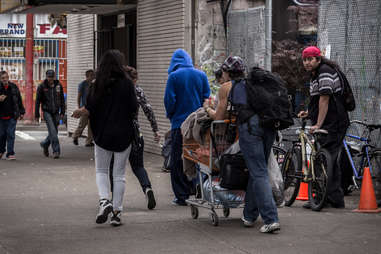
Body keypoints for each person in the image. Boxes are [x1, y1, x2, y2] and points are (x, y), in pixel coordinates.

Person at [204, 56, 281, 233]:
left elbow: (219, 117)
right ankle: (249, 215)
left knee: (259, 172)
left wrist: (207, 109)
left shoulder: (230, 86)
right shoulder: (255, 83)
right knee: (257, 171)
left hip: (251, 129)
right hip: (269, 127)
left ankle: (271, 218)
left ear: (227, 72)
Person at [72, 49, 138, 227]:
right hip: (124, 133)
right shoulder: (127, 83)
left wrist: (80, 111)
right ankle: (116, 213)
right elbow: (134, 107)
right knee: (119, 175)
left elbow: (90, 107)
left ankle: (104, 201)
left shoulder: (96, 83)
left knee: (101, 170)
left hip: (102, 133)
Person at [298, 46, 349, 209]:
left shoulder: (325, 71)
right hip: (329, 121)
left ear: (318, 59)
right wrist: (308, 112)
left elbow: (325, 99)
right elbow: (317, 100)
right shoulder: (315, 74)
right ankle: (331, 198)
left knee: (327, 159)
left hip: (334, 122)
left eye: (310, 59)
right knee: (328, 160)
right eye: (305, 59)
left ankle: (325, 197)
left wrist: (318, 124)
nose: (307, 62)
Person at [164, 49, 210, 206]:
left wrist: (171, 115)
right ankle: (197, 189)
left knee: (177, 159)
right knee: (198, 157)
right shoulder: (201, 75)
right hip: (199, 125)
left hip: (179, 124)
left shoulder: (174, 77)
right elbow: (207, 98)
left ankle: (181, 195)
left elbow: (169, 100)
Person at [109, 66, 159, 210]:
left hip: (117, 134)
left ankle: (114, 199)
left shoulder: (114, 91)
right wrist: (155, 130)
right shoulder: (138, 91)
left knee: (114, 168)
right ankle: (147, 189)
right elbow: (148, 110)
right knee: (138, 166)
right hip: (136, 134)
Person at [35, 70, 65, 159]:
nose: (50, 79)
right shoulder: (42, 86)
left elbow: (62, 99)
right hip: (47, 111)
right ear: (46, 76)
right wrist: (37, 115)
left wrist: (62, 112)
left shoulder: (58, 85)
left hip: (56, 111)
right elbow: (37, 101)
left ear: (54, 77)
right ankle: (56, 151)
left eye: (52, 77)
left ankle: (44, 144)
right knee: (53, 131)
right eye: (49, 77)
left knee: (54, 132)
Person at [0, 71, 25, 160]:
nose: (5, 80)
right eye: (3, 78)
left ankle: (10, 153)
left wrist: (22, 112)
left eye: (6, 77)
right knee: (2, 135)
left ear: (8, 77)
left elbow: (19, 100)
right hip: (1, 117)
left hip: (12, 116)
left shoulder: (13, 87)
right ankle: (1, 150)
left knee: (10, 134)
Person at [72, 69, 95, 147]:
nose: (93, 76)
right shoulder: (82, 84)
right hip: (84, 107)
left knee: (91, 125)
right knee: (82, 124)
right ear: (87, 76)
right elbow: (79, 96)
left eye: (93, 75)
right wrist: (79, 107)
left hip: (92, 107)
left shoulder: (94, 84)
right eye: (91, 75)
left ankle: (88, 141)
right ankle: (75, 136)